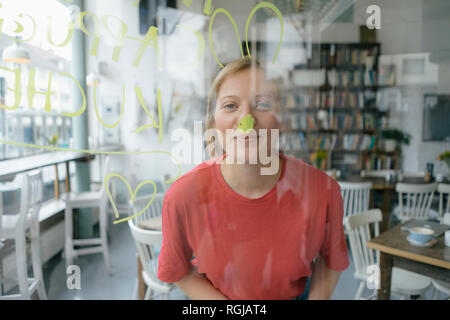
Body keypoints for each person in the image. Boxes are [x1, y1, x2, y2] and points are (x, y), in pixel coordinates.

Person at [157, 56, 349, 300]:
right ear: (213, 121)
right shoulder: (182, 196)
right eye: (230, 106)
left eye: (263, 104)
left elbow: (331, 259)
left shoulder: (322, 191)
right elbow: (176, 270)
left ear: (282, 121)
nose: (246, 121)